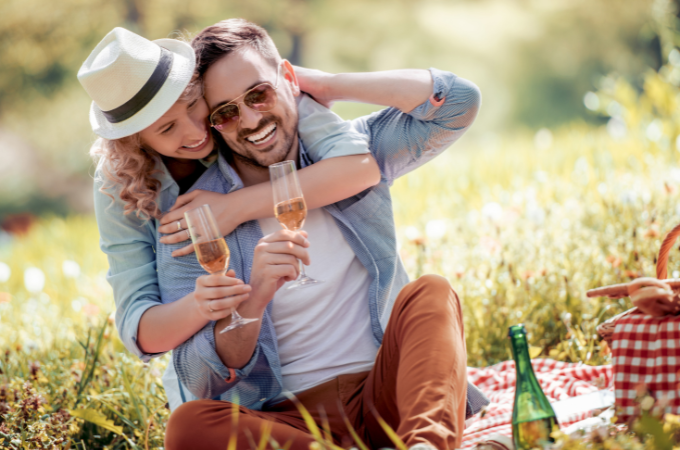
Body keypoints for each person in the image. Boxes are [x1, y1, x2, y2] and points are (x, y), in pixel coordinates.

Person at [162, 19, 488, 450]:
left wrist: (330, 84)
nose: (251, 118)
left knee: (431, 293)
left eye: (259, 93)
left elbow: (457, 102)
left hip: (384, 392)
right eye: (226, 112)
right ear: (213, 125)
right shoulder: (197, 215)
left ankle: (427, 444)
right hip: (287, 421)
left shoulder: (353, 152)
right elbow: (198, 376)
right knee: (189, 426)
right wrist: (254, 298)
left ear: (288, 79)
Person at [79, 27, 384, 411]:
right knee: (193, 425)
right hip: (226, 378)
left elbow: (358, 170)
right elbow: (141, 331)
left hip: (334, 359)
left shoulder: (242, 110)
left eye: (192, 105)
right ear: (136, 140)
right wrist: (200, 305)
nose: (195, 132)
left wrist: (321, 83)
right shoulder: (119, 183)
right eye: (167, 128)